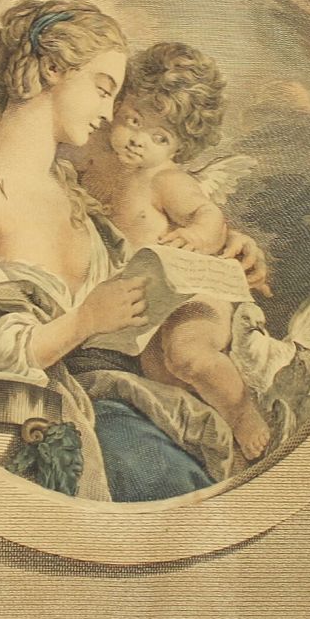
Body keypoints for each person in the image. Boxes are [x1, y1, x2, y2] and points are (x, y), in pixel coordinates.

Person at [0, 0, 268, 502]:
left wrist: (219, 255)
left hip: (95, 407)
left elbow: (140, 268)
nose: (107, 113)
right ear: (52, 70)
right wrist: (82, 322)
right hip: (8, 438)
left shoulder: (68, 190)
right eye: (103, 90)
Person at [76, 43, 271, 460]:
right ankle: (207, 433)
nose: (138, 140)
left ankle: (242, 413)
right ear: (119, 105)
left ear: (179, 148)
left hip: (190, 293)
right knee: (160, 377)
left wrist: (196, 237)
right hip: (146, 302)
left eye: (159, 137)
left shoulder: (166, 180)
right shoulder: (95, 157)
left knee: (188, 356)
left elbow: (208, 215)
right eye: (133, 121)